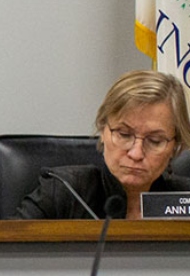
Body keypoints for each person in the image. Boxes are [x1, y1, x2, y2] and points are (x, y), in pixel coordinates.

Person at [13, 70, 190, 220]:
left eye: (155, 141)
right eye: (124, 134)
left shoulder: (186, 198)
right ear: (103, 130)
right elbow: (8, 253)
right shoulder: (63, 191)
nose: (136, 153)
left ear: (175, 146)